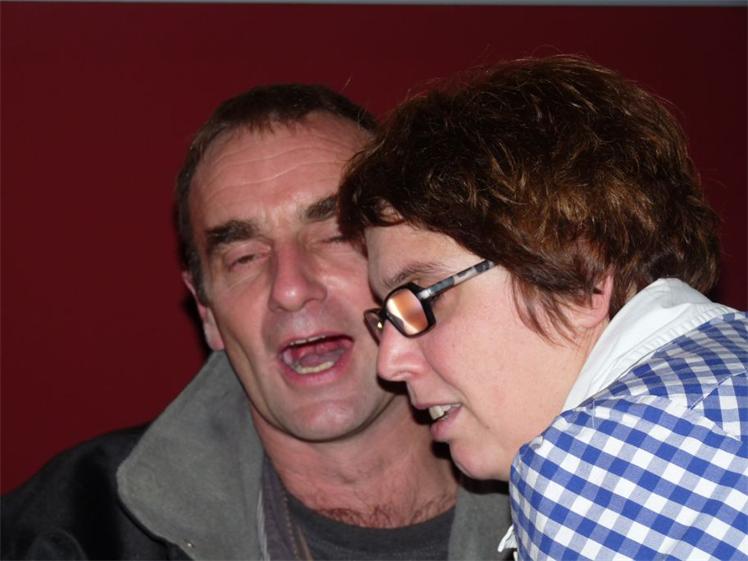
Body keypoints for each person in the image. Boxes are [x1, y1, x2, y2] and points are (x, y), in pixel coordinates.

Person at [2, 84, 512, 560]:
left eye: (335, 235)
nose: (290, 288)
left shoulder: (554, 473)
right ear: (206, 312)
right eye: (244, 257)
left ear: (410, 261)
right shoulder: (71, 535)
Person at [338, 56, 748, 561]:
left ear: (579, 275)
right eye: (387, 319)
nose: (389, 362)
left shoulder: (604, 464)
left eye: (421, 297)